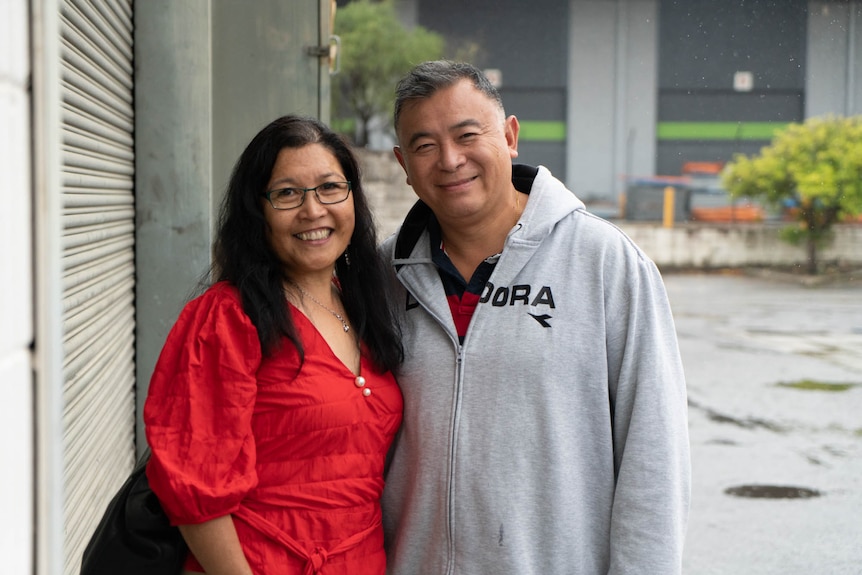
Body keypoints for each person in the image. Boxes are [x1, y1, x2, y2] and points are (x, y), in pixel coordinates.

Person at [380, 60, 691, 574]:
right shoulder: (381, 277)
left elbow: (654, 454)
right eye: (424, 145)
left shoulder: (603, 261)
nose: (450, 160)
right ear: (403, 164)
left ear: (509, 135)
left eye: (467, 134)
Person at [143, 115, 404, 575]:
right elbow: (195, 489)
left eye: (329, 188)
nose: (313, 210)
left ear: (352, 199)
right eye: (287, 193)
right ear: (257, 210)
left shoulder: (365, 307)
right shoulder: (227, 317)